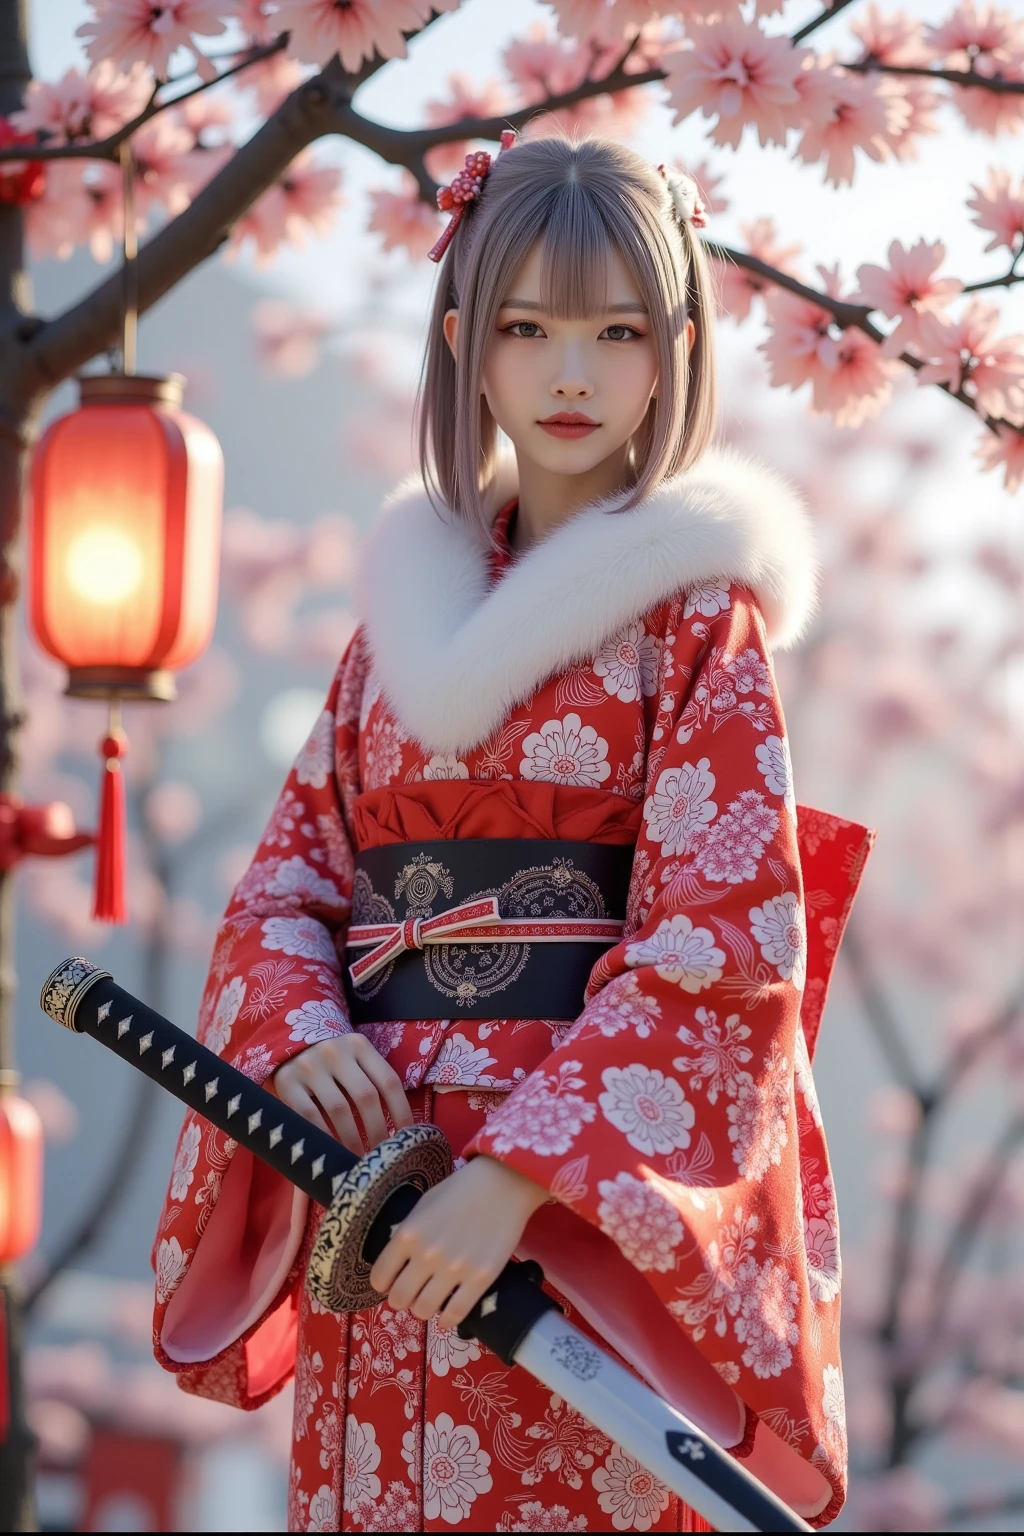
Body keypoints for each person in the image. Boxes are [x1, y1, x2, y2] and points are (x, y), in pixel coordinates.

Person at [152, 135, 874, 1533]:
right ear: (463, 342)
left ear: (674, 351)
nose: (568, 374)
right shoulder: (390, 634)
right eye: (527, 327)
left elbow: (725, 939)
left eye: (615, 332)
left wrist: (519, 1177)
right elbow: (286, 890)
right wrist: (303, 1034)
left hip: (565, 1234)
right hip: (371, 1195)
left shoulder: (694, 622)